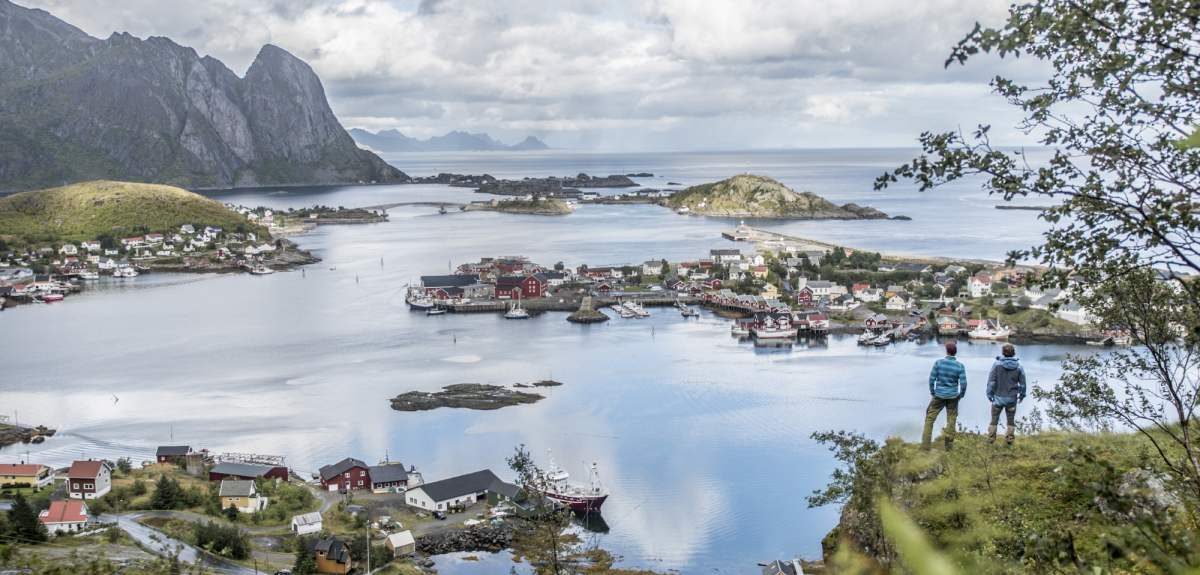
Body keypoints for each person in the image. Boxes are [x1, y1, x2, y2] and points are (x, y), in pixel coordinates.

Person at [923, 340, 968, 450]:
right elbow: (964, 384)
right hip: (953, 396)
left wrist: (933, 392)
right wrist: (961, 395)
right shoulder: (960, 366)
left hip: (939, 395)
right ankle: (948, 447)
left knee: (929, 419)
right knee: (951, 420)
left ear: (946, 351)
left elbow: (931, 380)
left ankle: (925, 447)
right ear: (955, 352)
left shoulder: (938, 363)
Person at [986, 343, 1027, 445]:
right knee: (1010, 420)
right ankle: (1009, 439)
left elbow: (991, 382)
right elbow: (1022, 384)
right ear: (1014, 353)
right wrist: (1022, 395)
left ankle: (991, 439)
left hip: (998, 398)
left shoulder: (996, 365)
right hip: (1011, 399)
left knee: (994, 420)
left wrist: (989, 394)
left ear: (1003, 353)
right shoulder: (1019, 367)